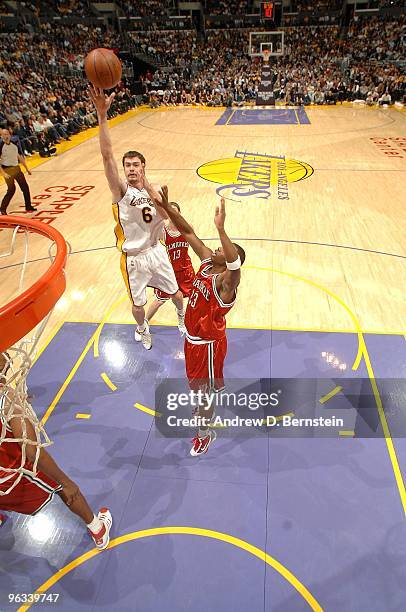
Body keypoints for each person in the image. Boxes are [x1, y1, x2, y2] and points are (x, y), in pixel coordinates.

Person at [89, 86, 185, 350]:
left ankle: (180, 317)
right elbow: (107, 155)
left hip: (157, 251)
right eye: (127, 165)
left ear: (143, 167)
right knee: (139, 306)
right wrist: (102, 116)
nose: (131, 169)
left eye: (135, 165)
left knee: (177, 295)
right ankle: (142, 328)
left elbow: (168, 221)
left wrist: (159, 199)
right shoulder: (120, 191)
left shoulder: (153, 191)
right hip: (134, 259)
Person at [154, 188, 245, 456]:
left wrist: (222, 229)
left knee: (204, 394)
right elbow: (189, 232)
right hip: (192, 340)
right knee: (197, 389)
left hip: (207, 345)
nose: (216, 248)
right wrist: (168, 209)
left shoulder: (227, 283)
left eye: (222, 249)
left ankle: (205, 434)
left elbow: (235, 264)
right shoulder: (206, 264)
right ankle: (203, 403)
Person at [0, 353, 112, 550]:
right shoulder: (6, 399)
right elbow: (33, 453)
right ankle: (98, 529)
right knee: (65, 490)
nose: (6, 353)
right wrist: (66, 482)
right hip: (9, 477)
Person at [145, 201, 195, 325]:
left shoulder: (187, 227)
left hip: (185, 269)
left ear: (179, 213)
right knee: (159, 300)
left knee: (195, 296)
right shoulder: (162, 231)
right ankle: (142, 325)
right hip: (168, 272)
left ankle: (184, 319)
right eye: (170, 212)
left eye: (175, 212)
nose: (172, 214)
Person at [0, 127, 36, 215]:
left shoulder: (14, 144)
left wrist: (27, 168)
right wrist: (3, 173)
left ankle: (28, 206)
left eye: (7, 134)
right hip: (7, 169)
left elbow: (19, 156)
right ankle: (2, 209)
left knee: (25, 187)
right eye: (3, 134)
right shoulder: (0, 146)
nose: (5, 136)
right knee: (11, 190)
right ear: (1, 136)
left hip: (16, 168)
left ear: (9, 135)